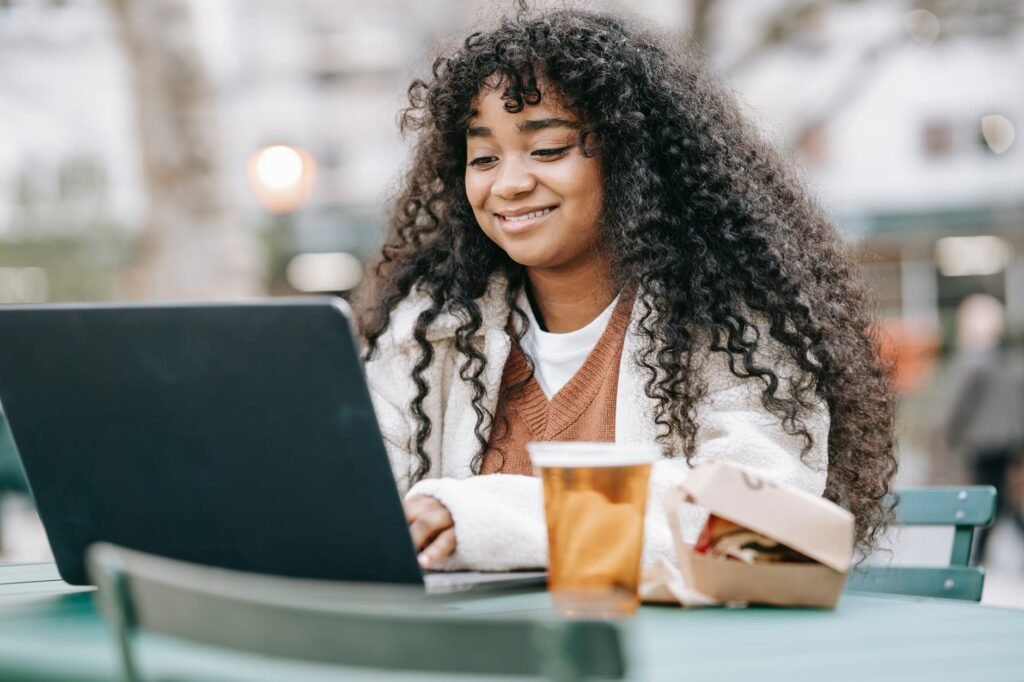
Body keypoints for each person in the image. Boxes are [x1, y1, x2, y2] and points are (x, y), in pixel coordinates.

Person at [356, 8, 897, 573]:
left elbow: (765, 528)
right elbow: (357, 504)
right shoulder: (429, 331)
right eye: (484, 158)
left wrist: (482, 517)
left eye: (547, 150)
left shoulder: (728, 323)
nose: (509, 184)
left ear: (630, 161)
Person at [940, 294, 1024, 563]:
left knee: (992, 497)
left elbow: (959, 406)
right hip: (1008, 441)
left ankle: (976, 555)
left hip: (983, 442)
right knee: (1001, 495)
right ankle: (978, 552)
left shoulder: (973, 363)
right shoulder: (1011, 362)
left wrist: (949, 435)